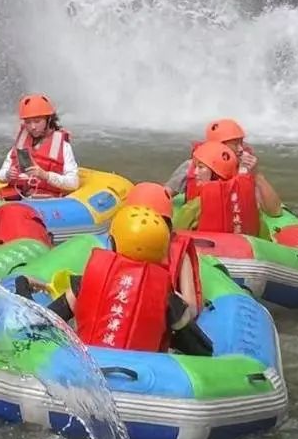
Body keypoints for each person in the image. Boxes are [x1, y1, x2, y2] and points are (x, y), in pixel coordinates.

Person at [41, 206, 209, 354]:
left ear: (113, 244)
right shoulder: (168, 299)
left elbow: (45, 321)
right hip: (143, 379)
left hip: (89, 370)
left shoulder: (84, 283)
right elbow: (202, 351)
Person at [122, 180, 201, 318]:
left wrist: (167, 298)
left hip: (160, 319)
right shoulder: (120, 244)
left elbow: (191, 307)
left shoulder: (178, 254)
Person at [176, 140, 280, 236]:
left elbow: (175, 232)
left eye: (201, 167)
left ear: (215, 173)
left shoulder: (197, 205)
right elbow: (263, 235)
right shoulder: (247, 202)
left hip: (208, 253)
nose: (195, 172)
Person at [165, 119, 275, 203]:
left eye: (242, 143)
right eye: (235, 144)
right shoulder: (191, 167)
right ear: (218, 146)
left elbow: (274, 212)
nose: (241, 149)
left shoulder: (245, 168)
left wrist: (257, 175)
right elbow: (165, 194)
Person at [0, 94, 79, 198]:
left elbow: (73, 183)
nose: (33, 127)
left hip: (45, 201)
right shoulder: (20, 142)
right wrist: (7, 175)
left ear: (48, 120)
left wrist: (45, 175)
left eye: (37, 121)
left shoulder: (63, 146)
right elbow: (0, 176)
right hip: (19, 195)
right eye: (28, 122)